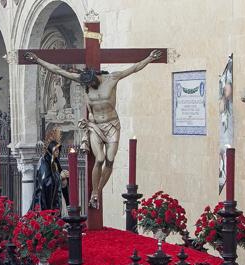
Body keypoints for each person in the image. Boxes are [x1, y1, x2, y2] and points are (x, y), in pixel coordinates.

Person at [25, 49, 162, 208]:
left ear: (95, 79)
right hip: (95, 125)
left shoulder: (112, 79)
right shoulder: (83, 81)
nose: (87, 88)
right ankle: (95, 194)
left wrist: (149, 58)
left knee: (110, 161)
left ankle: (95, 192)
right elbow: (58, 70)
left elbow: (134, 68)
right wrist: (38, 60)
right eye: (86, 86)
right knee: (100, 158)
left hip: (112, 125)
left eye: (90, 84)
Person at [30, 138, 64, 211]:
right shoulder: (44, 161)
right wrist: (60, 177)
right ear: (51, 149)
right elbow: (45, 181)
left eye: (58, 149)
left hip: (55, 197)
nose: (57, 151)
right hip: (44, 197)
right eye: (55, 150)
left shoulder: (55, 162)